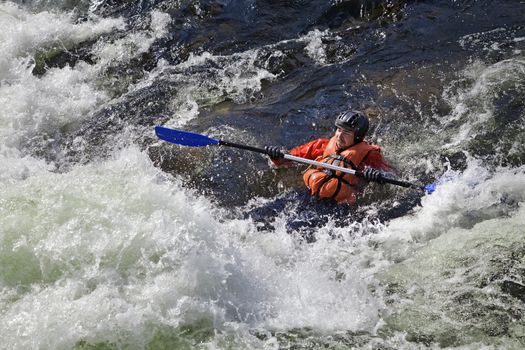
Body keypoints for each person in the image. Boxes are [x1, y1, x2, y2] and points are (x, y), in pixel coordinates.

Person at [265, 110, 394, 205]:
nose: (339, 135)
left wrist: (377, 177)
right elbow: (286, 160)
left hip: (337, 204)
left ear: (358, 137)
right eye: (338, 129)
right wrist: (275, 156)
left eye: (346, 132)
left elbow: (390, 177)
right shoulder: (322, 144)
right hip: (307, 193)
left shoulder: (370, 155)